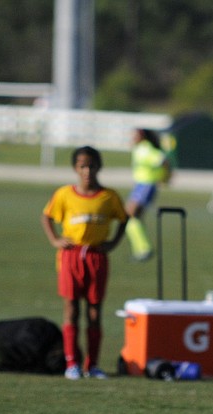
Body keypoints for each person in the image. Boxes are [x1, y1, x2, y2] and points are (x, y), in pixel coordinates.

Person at [41, 146, 128, 380]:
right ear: (75, 169)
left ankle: (93, 364)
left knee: (94, 310)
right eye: (82, 166)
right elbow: (47, 216)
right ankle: (72, 363)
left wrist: (113, 243)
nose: (87, 171)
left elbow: (124, 218)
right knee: (71, 307)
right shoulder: (64, 194)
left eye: (91, 166)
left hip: (96, 256)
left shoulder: (109, 196)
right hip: (71, 256)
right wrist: (55, 239)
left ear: (99, 167)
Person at [125, 128, 170, 262]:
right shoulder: (139, 148)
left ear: (142, 137)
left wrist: (164, 177)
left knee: (130, 214)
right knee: (132, 218)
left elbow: (163, 161)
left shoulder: (146, 149)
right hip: (140, 185)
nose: (133, 138)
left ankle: (144, 249)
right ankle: (141, 250)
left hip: (146, 185)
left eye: (135, 136)